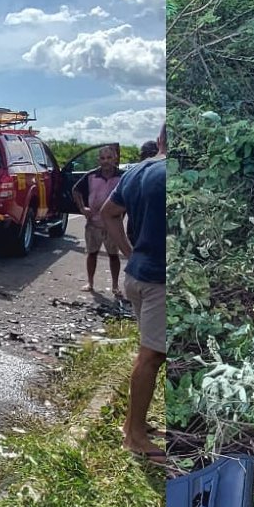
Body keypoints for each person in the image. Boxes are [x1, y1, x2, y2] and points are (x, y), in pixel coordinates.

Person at [102, 125, 166, 462]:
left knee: (152, 354)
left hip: (138, 276)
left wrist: (130, 253)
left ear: (159, 141)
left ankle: (133, 424)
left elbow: (108, 214)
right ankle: (135, 436)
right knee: (152, 356)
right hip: (158, 281)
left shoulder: (137, 170)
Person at [72, 145, 125, 294]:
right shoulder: (91, 175)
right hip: (93, 224)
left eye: (109, 158)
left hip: (114, 224)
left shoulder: (123, 176)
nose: (106, 161)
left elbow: (131, 195)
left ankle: (115, 286)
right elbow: (75, 190)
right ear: (98, 160)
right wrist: (83, 208)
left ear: (115, 158)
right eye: (102, 158)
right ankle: (90, 283)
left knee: (114, 256)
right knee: (92, 254)